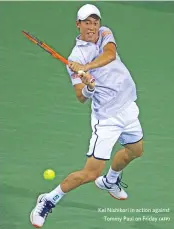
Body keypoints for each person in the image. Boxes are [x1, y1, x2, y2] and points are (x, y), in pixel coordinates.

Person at [30, 4, 143, 228]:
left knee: (135, 150)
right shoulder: (74, 57)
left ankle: (110, 181)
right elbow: (81, 97)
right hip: (107, 119)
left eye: (95, 22)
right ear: (78, 25)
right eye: (87, 22)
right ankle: (48, 199)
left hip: (128, 107)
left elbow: (110, 55)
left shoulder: (104, 34)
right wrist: (89, 86)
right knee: (90, 173)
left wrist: (87, 67)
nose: (92, 26)